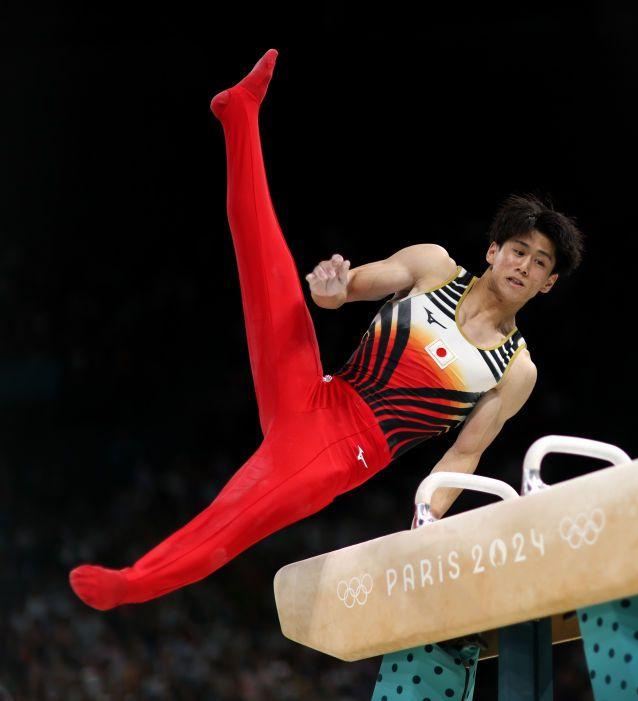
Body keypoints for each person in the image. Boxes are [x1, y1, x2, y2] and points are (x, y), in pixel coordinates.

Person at [68, 49, 584, 610]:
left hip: (342, 452)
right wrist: (328, 289)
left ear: (548, 284)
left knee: (235, 519)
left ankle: (132, 583)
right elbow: (344, 289)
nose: (522, 266)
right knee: (264, 261)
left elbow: (465, 454)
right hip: (316, 391)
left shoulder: (514, 369)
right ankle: (240, 115)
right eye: (517, 250)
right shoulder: (432, 266)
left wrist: (426, 516)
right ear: (493, 250)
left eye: (538, 263)